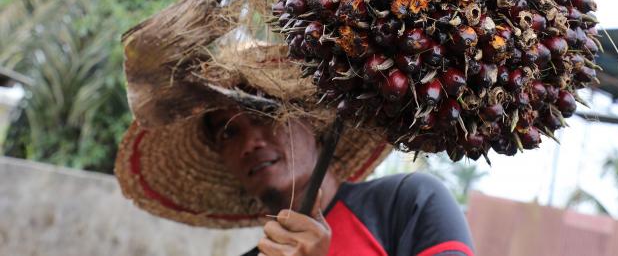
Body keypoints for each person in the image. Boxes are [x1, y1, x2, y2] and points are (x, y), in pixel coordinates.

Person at [115, 44, 475, 256]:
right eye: (228, 134)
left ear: (315, 122)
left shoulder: (407, 203)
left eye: (266, 113)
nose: (250, 143)